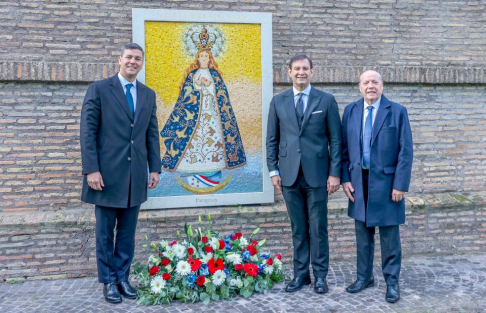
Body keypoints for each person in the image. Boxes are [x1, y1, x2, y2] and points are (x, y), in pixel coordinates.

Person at [80, 43, 161, 304]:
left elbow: (151, 134)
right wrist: (91, 169)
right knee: (105, 233)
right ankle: (108, 281)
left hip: (135, 176)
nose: (133, 62)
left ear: (142, 62)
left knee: (127, 232)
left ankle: (123, 278)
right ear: (120, 60)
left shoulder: (148, 95)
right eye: (129, 57)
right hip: (105, 176)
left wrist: (155, 168)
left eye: (138, 58)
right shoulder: (100, 89)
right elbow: (87, 132)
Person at [266, 54, 342, 294]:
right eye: (296, 68)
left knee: (318, 227)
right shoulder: (278, 101)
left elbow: (336, 141)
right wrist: (273, 170)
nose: (301, 72)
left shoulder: (327, 100)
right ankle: (301, 275)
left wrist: (334, 173)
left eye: (305, 68)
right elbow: (271, 140)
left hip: (318, 175)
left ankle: (320, 276)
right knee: (298, 227)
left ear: (312, 72)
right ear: (288, 72)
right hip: (288, 175)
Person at [341, 70, 413, 303]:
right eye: (366, 82)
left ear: (382, 85)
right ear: (359, 86)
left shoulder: (398, 112)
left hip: (388, 184)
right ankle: (364, 277)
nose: (370, 86)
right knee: (363, 235)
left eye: (374, 82)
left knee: (390, 237)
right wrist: (345, 179)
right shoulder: (350, 111)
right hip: (358, 182)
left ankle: (392, 282)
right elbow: (343, 150)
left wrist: (400, 185)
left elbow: (405, 152)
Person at [159, 41, 246, 192]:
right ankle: (192, 165)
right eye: (201, 56)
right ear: (197, 59)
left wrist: (210, 85)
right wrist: (197, 86)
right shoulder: (192, 75)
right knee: (194, 139)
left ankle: (214, 165)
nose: (204, 59)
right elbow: (185, 95)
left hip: (211, 112)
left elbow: (221, 95)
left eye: (206, 56)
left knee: (213, 138)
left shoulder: (215, 75)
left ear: (210, 59)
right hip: (194, 116)